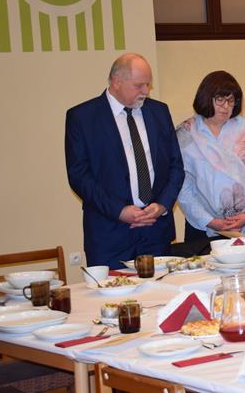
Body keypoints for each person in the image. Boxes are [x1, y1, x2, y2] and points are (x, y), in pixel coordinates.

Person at [65, 53, 184, 268]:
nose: (146, 91)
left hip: (155, 231)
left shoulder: (159, 111)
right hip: (109, 235)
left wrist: (162, 205)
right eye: (139, 85)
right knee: (112, 290)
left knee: (161, 288)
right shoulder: (83, 117)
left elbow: (176, 166)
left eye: (148, 84)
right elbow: (79, 176)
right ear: (116, 81)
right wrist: (119, 211)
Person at [176, 71, 245, 251]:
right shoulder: (186, 132)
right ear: (206, 97)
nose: (226, 106)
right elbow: (182, 185)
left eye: (231, 100)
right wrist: (211, 221)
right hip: (203, 225)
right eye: (220, 99)